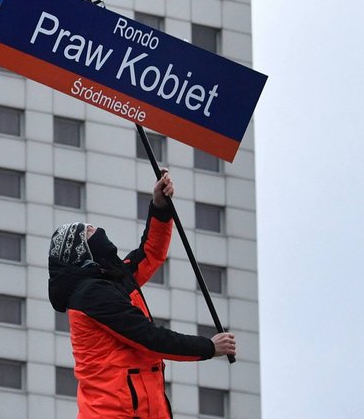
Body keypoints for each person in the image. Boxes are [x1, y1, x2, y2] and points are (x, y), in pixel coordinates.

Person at [48, 169, 236, 419]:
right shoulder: (91, 295)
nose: (99, 232)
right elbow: (149, 338)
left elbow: (150, 253)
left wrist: (160, 207)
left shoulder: (112, 279)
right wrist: (209, 347)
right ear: (81, 251)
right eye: (90, 233)